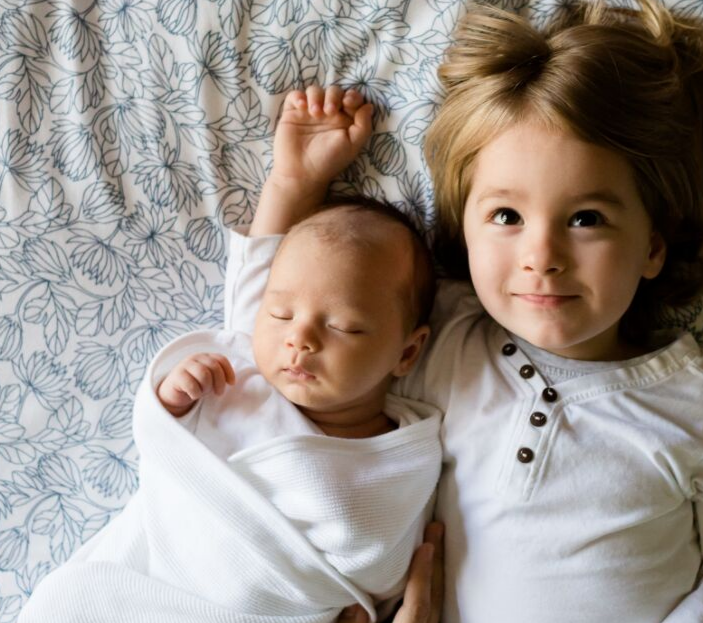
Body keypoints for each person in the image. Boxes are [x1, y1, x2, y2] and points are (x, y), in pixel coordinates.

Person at [225, 0, 703, 623]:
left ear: (652, 248)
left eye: (585, 218)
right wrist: (294, 184)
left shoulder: (691, 403)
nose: (541, 255)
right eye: (506, 215)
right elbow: (273, 336)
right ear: (464, 232)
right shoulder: (438, 342)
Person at [19, 92, 443, 623]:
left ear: (407, 352)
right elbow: (262, 263)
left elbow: (380, 564)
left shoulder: (404, 455)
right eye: (282, 314)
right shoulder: (242, 367)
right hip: (156, 585)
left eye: (342, 326)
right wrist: (174, 400)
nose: (299, 339)